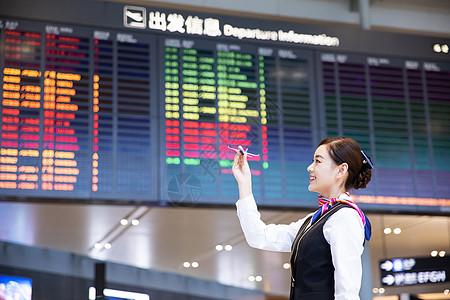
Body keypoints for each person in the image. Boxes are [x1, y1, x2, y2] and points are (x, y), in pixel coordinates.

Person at [232, 137, 373, 300]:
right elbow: (258, 236)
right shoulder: (314, 219)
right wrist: (244, 183)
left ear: (341, 170)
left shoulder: (345, 217)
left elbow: (347, 292)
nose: (309, 168)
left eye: (317, 162)